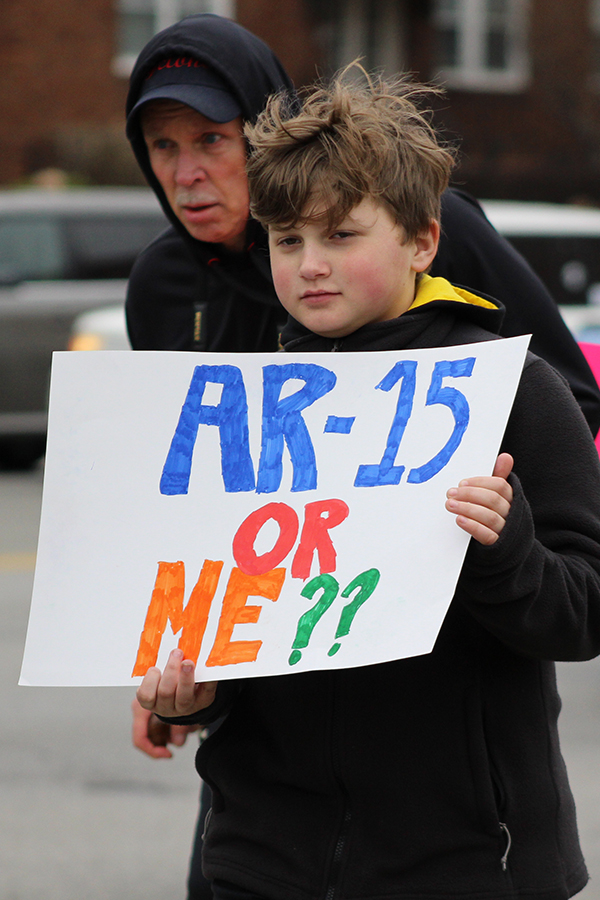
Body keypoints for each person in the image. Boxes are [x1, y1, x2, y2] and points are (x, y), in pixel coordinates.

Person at [124, 15, 600, 900]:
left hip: (464, 859)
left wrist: (509, 552)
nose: (310, 266)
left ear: (424, 240)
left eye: (340, 236)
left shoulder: (513, 388)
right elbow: (234, 612)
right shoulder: (246, 406)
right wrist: (193, 694)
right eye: (287, 241)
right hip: (260, 855)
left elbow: (581, 616)